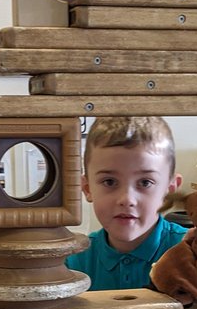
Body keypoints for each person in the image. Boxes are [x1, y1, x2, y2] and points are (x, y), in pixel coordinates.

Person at [66, 115, 188, 290]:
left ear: (170, 189)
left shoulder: (192, 250)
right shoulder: (73, 259)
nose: (127, 199)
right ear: (87, 188)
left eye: (145, 182)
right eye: (109, 182)